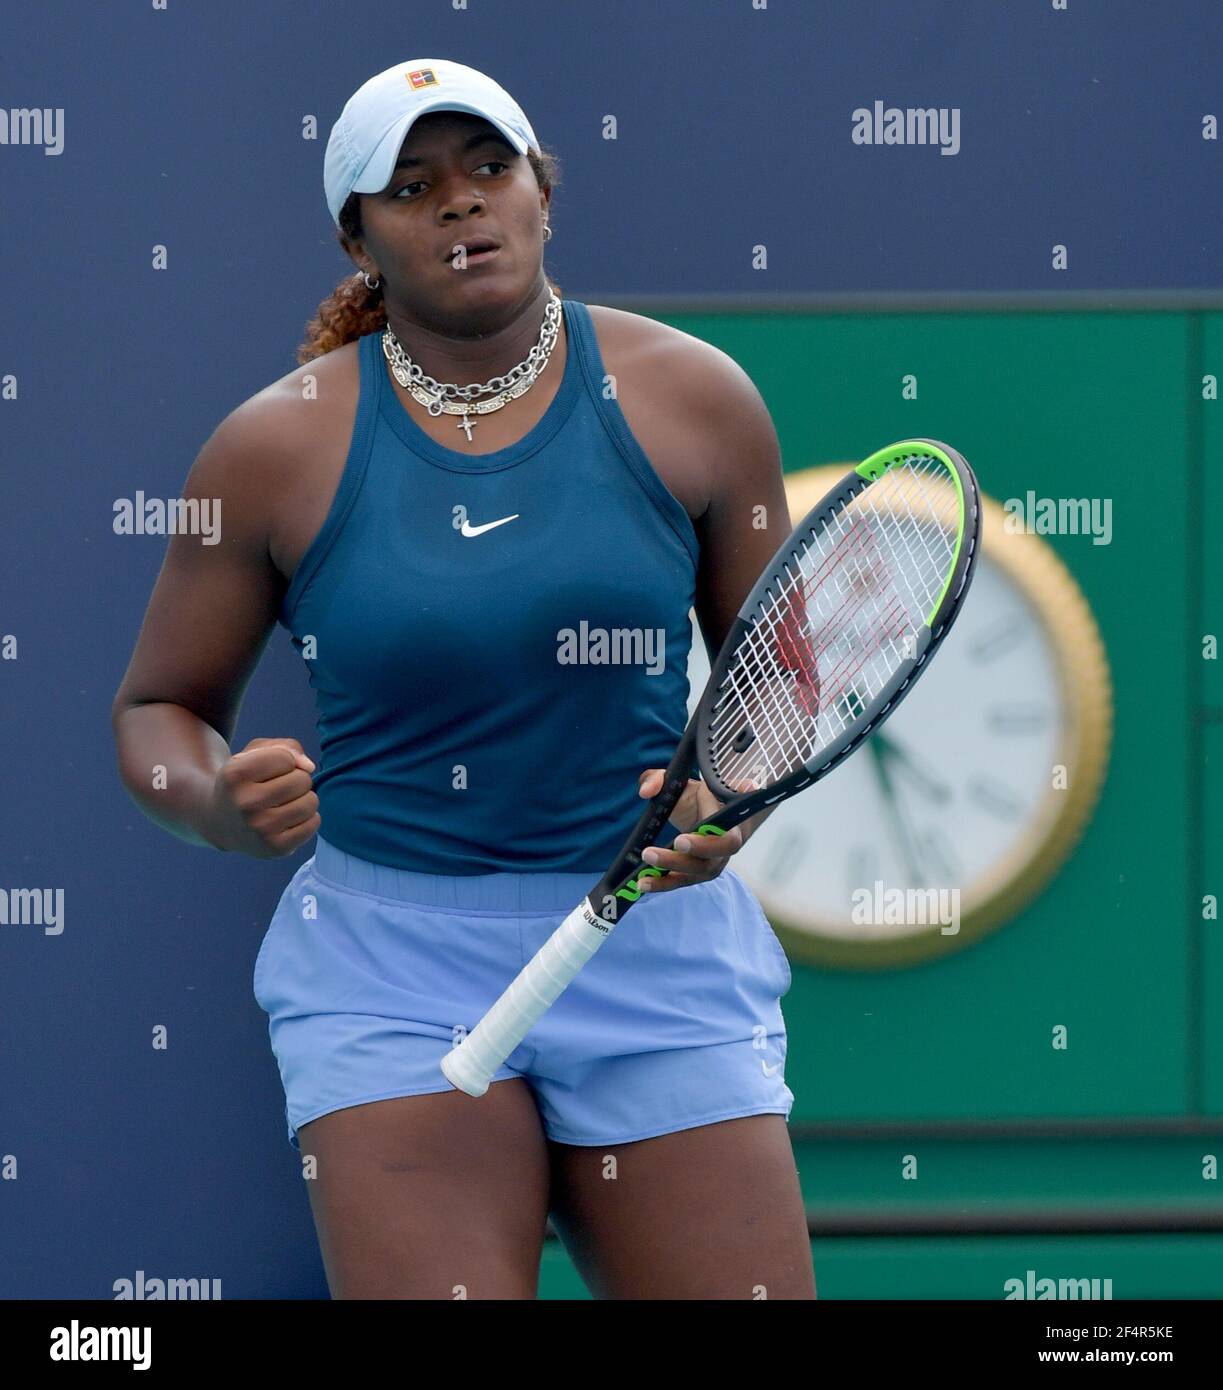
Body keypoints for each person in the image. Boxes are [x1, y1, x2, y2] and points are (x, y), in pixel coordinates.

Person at [111, 57, 815, 1300]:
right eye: (413, 185)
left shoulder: (696, 398)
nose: (460, 204)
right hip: (388, 974)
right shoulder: (273, 444)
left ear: (543, 190)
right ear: (358, 236)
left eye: (489, 168)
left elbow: (779, 681)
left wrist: (729, 798)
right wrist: (216, 799)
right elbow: (157, 712)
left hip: (653, 949)